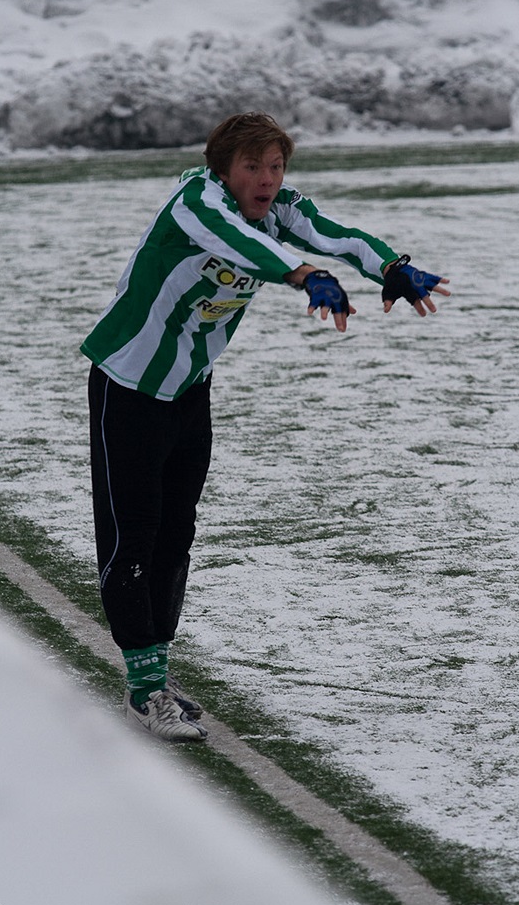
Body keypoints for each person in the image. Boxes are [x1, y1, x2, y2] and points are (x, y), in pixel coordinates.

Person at [80, 112, 450, 742]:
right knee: (132, 535)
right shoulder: (198, 201)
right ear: (224, 167)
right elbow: (244, 244)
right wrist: (302, 273)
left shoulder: (277, 209)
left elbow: (333, 233)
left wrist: (388, 266)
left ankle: (156, 673)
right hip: (129, 386)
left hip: (190, 392)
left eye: (276, 166)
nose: (267, 179)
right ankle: (143, 691)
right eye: (253, 166)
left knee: (176, 534)